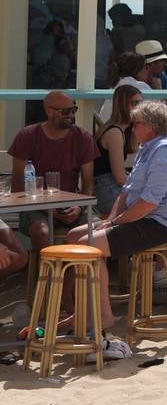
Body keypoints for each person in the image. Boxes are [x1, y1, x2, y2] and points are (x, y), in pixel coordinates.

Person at [66, 100, 167, 359]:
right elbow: (127, 192)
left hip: (162, 224)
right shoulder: (149, 148)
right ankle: (78, 311)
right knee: (73, 237)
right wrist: (111, 219)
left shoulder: (166, 152)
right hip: (143, 218)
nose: (132, 129)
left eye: (136, 124)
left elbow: (149, 203)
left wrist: (115, 222)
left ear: (150, 126)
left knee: (91, 246)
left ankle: (101, 318)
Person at [8, 91, 98, 256]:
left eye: (74, 110)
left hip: (71, 206)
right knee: (42, 231)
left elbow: (88, 183)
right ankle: (50, 277)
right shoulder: (27, 136)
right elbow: (17, 186)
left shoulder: (83, 137)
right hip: (35, 207)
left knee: (96, 232)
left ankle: (75, 278)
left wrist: (79, 207)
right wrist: (44, 207)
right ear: (49, 112)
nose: (71, 115)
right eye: (65, 112)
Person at [93, 84, 142, 214]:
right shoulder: (114, 132)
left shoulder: (124, 131)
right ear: (122, 105)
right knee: (152, 207)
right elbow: (119, 177)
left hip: (110, 186)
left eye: (141, 103)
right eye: (134, 103)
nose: (139, 107)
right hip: (105, 190)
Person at [98, 52, 152, 120]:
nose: (148, 70)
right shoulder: (142, 87)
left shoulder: (115, 86)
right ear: (138, 69)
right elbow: (157, 115)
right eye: (146, 67)